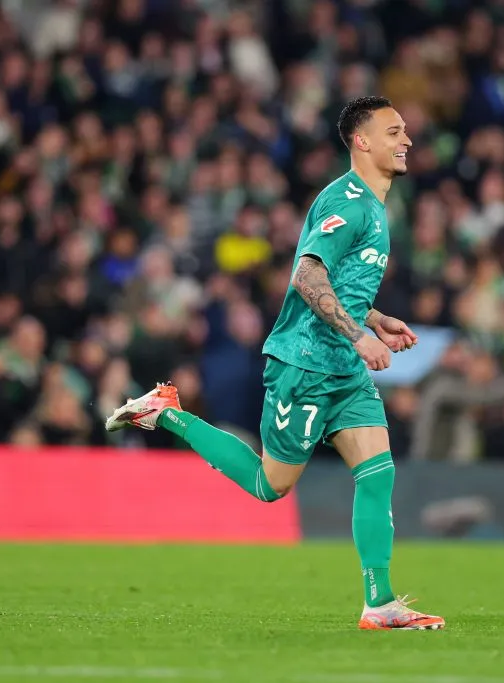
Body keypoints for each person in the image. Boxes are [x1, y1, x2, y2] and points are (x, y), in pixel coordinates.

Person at [104, 97, 445, 631]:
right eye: (394, 131)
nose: (406, 140)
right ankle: (165, 413)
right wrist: (358, 334)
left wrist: (375, 319)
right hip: (305, 364)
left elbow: (337, 281)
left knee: (378, 473)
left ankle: (379, 604)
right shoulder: (349, 202)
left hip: (344, 368)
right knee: (270, 485)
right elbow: (306, 278)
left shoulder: (372, 205)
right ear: (362, 141)